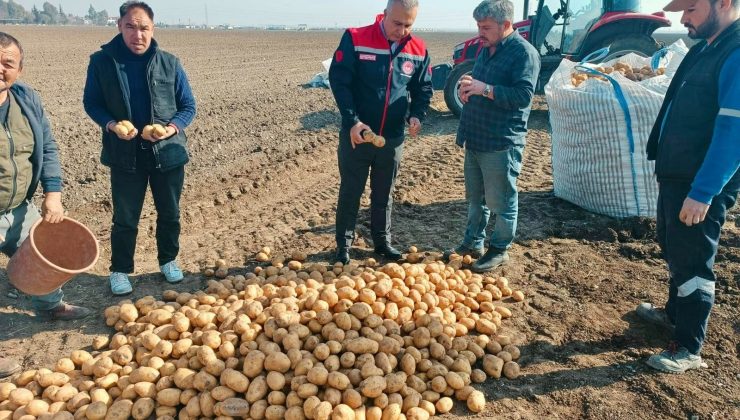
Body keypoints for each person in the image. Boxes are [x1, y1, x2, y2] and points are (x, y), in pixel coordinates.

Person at [639, 0, 739, 373]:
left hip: (699, 182)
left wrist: (703, 192)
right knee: (674, 245)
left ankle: (688, 346)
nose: (683, 18)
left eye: (692, 8)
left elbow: (734, 131)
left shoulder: (736, 52)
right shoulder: (706, 49)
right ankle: (673, 315)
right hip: (678, 175)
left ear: (724, 3)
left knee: (694, 259)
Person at [83, 1, 196, 295]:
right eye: (131, 27)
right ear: (119, 26)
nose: (138, 34)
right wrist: (111, 124)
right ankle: (120, 270)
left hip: (167, 152)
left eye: (144, 28)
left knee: (169, 212)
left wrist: (170, 129)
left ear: (153, 29)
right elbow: (91, 102)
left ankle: (168, 260)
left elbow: (188, 106)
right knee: (125, 217)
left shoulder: (170, 62)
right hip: (124, 154)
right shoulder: (102, 62)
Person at [0, 32, 92, 377]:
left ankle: (50, 306)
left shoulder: (26, 101)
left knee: (43, 259)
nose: (1, 68)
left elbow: (48, 148)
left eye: (7, 63)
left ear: (19, 69)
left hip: (20, 207)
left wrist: (53, 193)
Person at [328, 0, 433, 264]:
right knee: (351, 190)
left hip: (393, 136)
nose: (402, 30)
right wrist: (352, 121)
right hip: (358, 134)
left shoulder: (418, 49)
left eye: (409, 24)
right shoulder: (356, 38)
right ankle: (343, 246)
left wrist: (417, 116)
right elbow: (340, 82)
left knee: (384, 192)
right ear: (384, 15)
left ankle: (382, 243)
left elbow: (423, 89)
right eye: (397, 23)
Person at [444, 0, 540, 273]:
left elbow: (522, 97)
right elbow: (484, 82)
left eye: (485, 27)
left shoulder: (524, 54)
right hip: (476, 137)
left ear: (506, 25)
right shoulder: (488, 48)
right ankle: (472, 243)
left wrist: (484, 88)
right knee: (476, 198)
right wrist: (468, 88)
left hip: (500, 142)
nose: (480, 33)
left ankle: (499, 250)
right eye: (478, 26)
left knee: (502, 201)